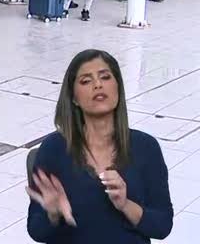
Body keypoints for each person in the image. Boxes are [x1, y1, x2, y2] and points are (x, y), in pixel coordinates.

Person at [26, 49, 173, 243]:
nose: (98, 85)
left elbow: (162, 226)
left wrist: (125, 204)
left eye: (105, 77)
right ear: (73, 98)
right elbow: (36, 231)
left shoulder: (146, 147)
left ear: (118, 87)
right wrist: (53, 214)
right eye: (86, 81)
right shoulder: (54, 148)